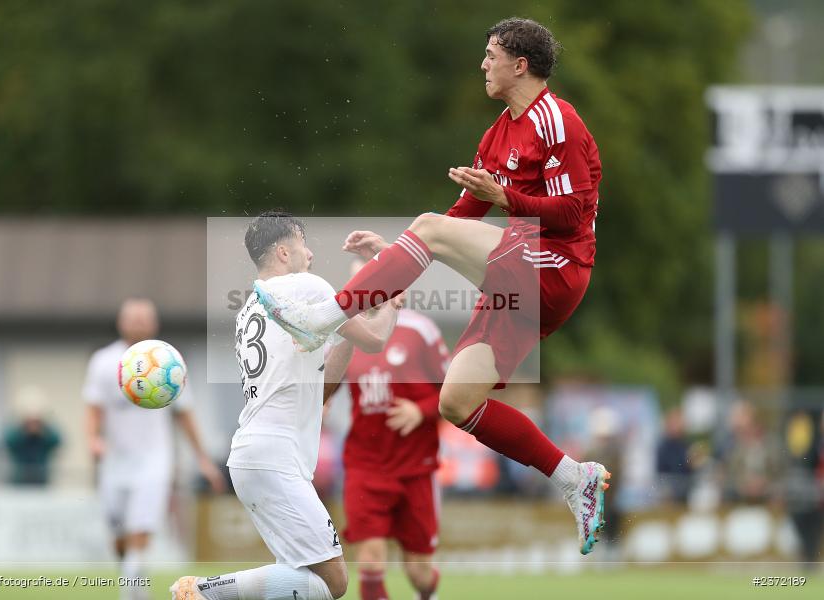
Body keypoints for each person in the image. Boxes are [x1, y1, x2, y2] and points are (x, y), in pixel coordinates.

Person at [255, 17, 611, 554]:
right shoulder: (498, 133)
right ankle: (571, 477)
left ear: (520, 65)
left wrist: (499, 202)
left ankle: (322, 320)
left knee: (427, 227)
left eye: (491, 55)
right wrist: (398, 252)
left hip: (556, 266)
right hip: (521, 273)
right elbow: (462, 214)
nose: (482, 64)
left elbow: (572, 213)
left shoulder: (555, 120)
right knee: (456, 402)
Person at [171, 212, 402, 600]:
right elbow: (376, 340)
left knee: (298, 578)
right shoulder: (302, 286)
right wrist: (392, 300)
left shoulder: (252, 310)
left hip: (259, 455)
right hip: (274, 457)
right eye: (303, 245)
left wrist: (357, 315)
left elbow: (322, 388)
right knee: (334, 582)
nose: (310, 255)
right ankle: (204, 592)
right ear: (282, 252)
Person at [84, 298, 225, 600]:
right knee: (119, 539)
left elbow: (185, 413)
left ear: (154, 323)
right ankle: (134, 575)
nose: (137, 322)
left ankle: (131, 588)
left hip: (154, 461)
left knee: (140, 529)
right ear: (121, 322)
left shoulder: (168, 359)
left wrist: (202, 458)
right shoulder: (103, 361)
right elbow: (93, 409)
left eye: (143, 317)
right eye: (131, 317)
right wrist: (94, 439)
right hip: (114, 462)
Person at [340, 261, 448, 600]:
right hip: (365, 466)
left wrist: (422, 409)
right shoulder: (343, 334)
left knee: (418, 571)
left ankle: (428, 592)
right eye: (358, 278)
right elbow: (322, 386)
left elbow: (456, 392)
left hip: (415, 467)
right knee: (370, 560)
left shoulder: (420, 331)